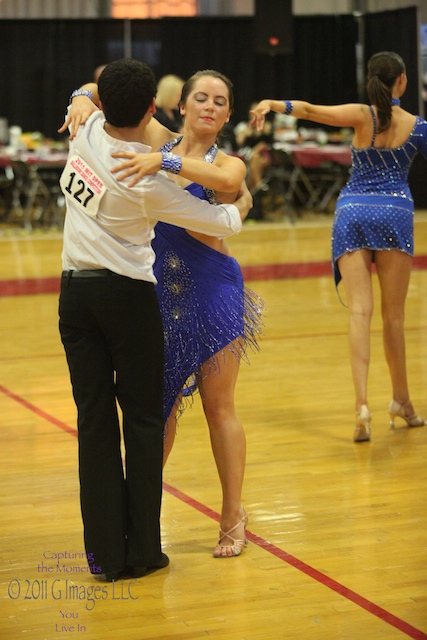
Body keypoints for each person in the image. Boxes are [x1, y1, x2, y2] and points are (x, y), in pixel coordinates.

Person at [57, 58, 252, 582]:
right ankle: (138, 531)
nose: (210, 106)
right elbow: (106, 88)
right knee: (154, 416)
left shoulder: (201, 160)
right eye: (202, 97)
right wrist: (81, 92)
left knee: (218, 407)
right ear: (176, 105)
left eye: (221, 101)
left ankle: (232, 516)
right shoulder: (154, 137)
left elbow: (233, 180)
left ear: (229, 113)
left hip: (210, 292)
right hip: (153, 295)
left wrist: (164, 166)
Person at [251, 51, 426, 443]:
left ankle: (362, 404)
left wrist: (273, 104)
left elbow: (312, 110)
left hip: (352, 212)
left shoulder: (362, 116)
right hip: (395, 214)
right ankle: (402, 401)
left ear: (372, 81)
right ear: (401, 82)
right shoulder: (416, 126)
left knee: (359, 312)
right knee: (393, 318)